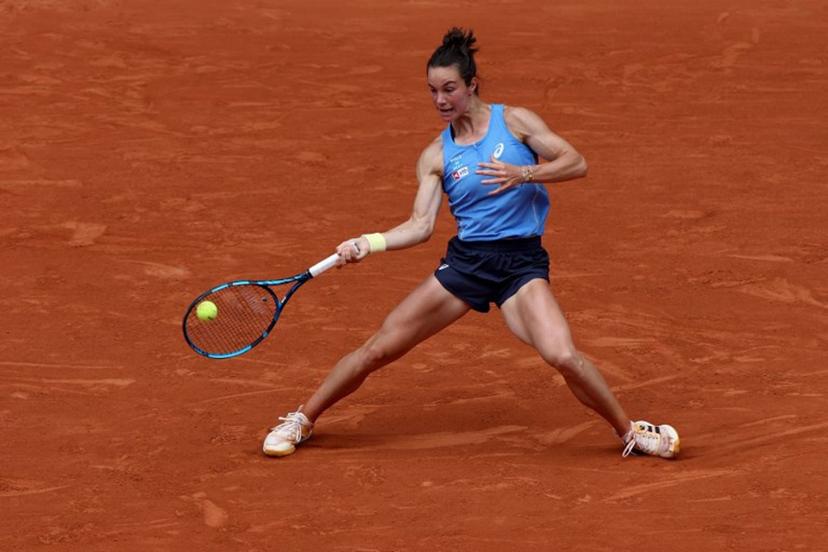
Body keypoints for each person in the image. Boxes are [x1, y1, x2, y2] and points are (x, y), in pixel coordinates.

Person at [263, 28, 680, 460]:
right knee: (379, 349)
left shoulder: (516, 122)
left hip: (520, 265)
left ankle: (631, 431)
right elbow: (420, 225)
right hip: (467, 266)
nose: (441, 100)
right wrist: (369, 242)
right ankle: (302, 419)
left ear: (471, 84)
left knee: (562, 355)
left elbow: (576, 162)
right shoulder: (436, 156)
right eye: (432, 91)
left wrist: (525, 174)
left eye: (449, 89)